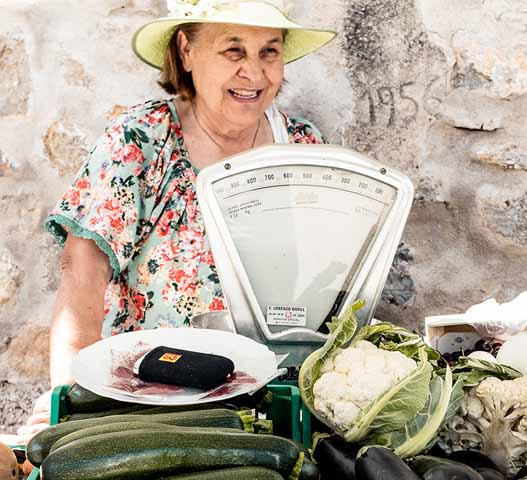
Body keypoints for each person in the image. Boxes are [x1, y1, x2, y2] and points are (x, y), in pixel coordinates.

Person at [17, 0, 335, 443]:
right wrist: (69, 396)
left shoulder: (302, 147)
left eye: (269, 51)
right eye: (233, 51)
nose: (256, 73)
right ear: (186, 51)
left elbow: (327, 281)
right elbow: (83, 272)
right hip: (148, 397)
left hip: (269, 403)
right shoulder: (142, 140)